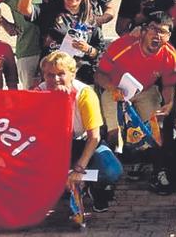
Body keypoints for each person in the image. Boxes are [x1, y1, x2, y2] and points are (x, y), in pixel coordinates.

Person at [95, 13, 176, 195]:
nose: (157, 36)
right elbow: (99, 75)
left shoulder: (170, 54)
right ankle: (109, 177)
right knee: (113, 132)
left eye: (163, 32)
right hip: (114, 88)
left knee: (155, 128)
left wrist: (169, 102)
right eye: (153, 30)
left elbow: (169, 84)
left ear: (169, 36)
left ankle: (159, 171)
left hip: (145, 90)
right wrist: (112, 88)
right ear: (143, 31)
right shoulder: (122, 45)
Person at [40, 51, 122, 213]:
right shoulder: (38, 92)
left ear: (73, 74)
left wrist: (79, 168)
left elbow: (94, 136)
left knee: (112, 170)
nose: (55, 79)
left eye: (61, 74)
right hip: (54, 146)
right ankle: (56, 190)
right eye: (50, 75)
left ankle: (95, 188)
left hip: (84, 143)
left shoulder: (84, 93)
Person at [19, 0, 103, 84]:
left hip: (82, 78)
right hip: (52, 77)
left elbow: (100, 51)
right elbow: (25, 10)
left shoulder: (90, 19)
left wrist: (88, 49)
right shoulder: (50, 12)